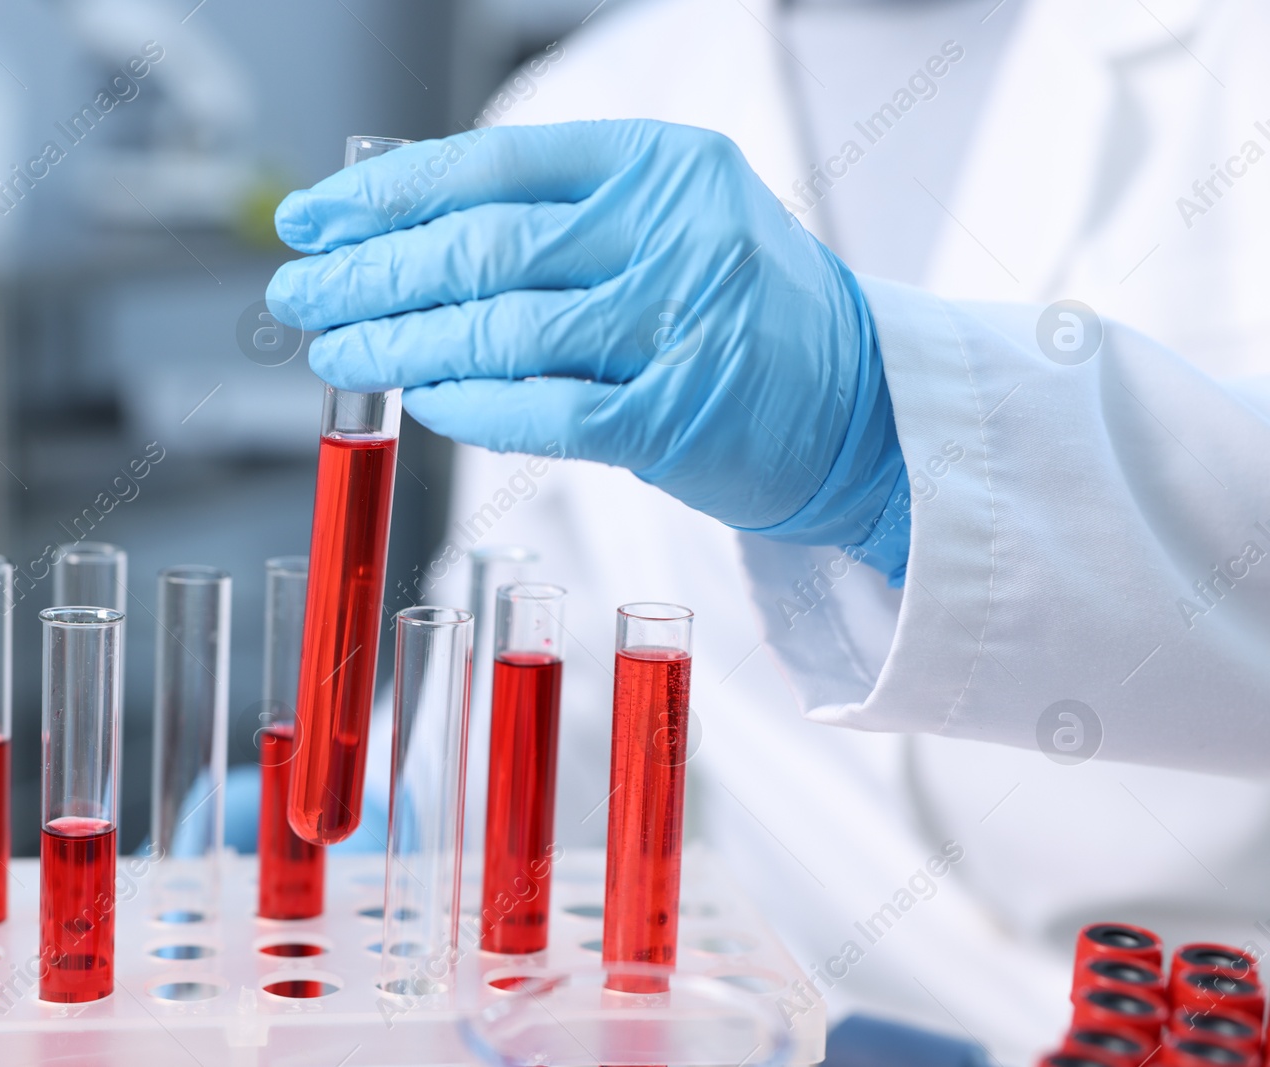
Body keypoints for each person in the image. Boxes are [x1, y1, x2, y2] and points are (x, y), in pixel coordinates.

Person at [268, 1, 1270, 1062]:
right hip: (806, 1023)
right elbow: (543, 651)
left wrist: (883, 435)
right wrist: (394, 820)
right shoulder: (582, 106)